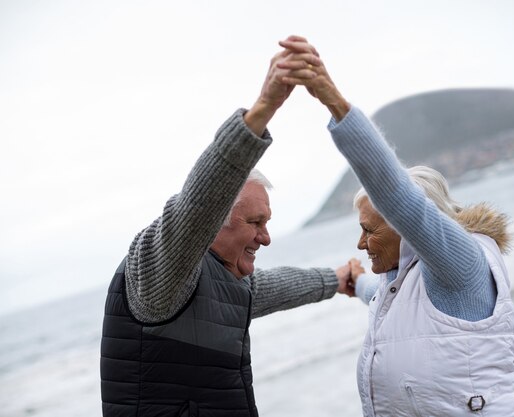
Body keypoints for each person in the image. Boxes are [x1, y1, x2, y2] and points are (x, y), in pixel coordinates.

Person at [100, 38, 354, 417]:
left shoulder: (229, 284)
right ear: (213, 219)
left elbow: (279, 286)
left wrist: (337, 279)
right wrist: (263, 109)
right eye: (255, 222)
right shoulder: (161, 277)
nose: (265, 237)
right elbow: (194, 206)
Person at [278, 36, 514, 416]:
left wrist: (332, 100)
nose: (361, 243)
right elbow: (384, 298)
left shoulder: (459, 262)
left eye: (369, 229)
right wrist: (355, 282)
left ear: (408, 227)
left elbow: (396, 193)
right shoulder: (402, 279)